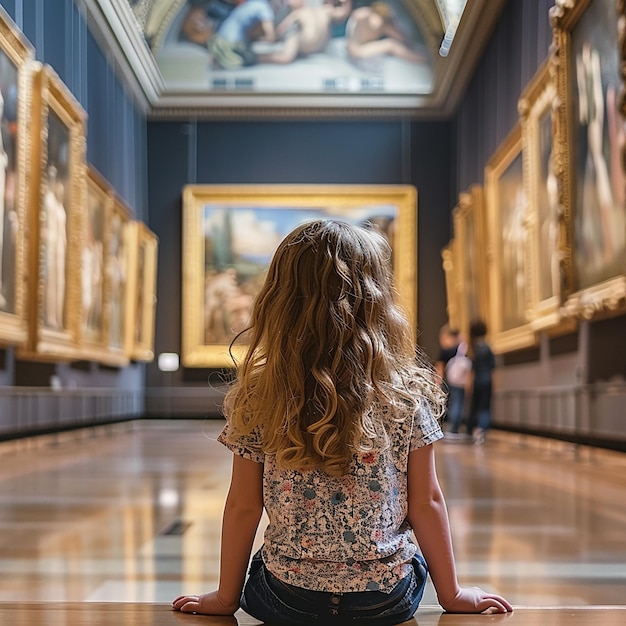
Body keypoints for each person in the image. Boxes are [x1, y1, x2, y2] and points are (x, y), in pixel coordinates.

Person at [172, 220, 513, 623]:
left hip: (286, 599)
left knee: (268, 566)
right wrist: (452, 594)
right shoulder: (404, 392)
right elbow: (426, 502)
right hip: (385, 599)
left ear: (280, 300)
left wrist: (226, 599)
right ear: (376, 300)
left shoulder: (262, 393)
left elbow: (244, 505)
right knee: (408, 559)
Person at [256, 0, 352, 65]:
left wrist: (346, 3)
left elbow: (342, 14)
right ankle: (254, 57)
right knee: (285, 57)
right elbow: (281, 30)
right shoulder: (297, 16)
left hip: (319, 45)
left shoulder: (326, 10)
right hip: (300, 39)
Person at [346, 2, 425, 66]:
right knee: (391, 43)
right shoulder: (363, 16)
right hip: (358, 50)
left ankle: (423, 57)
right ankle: (424, 59)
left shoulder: (383, 24)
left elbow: (402, 38)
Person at [466, 319, 496, 446]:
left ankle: (473, 430)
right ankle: (482, 430)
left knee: (475, 407)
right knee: (485, 408)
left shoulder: (473, 348)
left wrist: (469, 383)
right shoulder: (487, 347)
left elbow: (471, 368)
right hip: (487, 381)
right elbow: (493, 368)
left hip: (477, 381)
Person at [434, 325, 468, 437]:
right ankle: (455, 428)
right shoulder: (461, 348)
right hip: (461, 381)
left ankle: (448, 428)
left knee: (449, 404)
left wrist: (437, 380)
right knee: (459, 403)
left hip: (448, 381)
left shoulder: (446, 350)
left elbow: (440, 366)